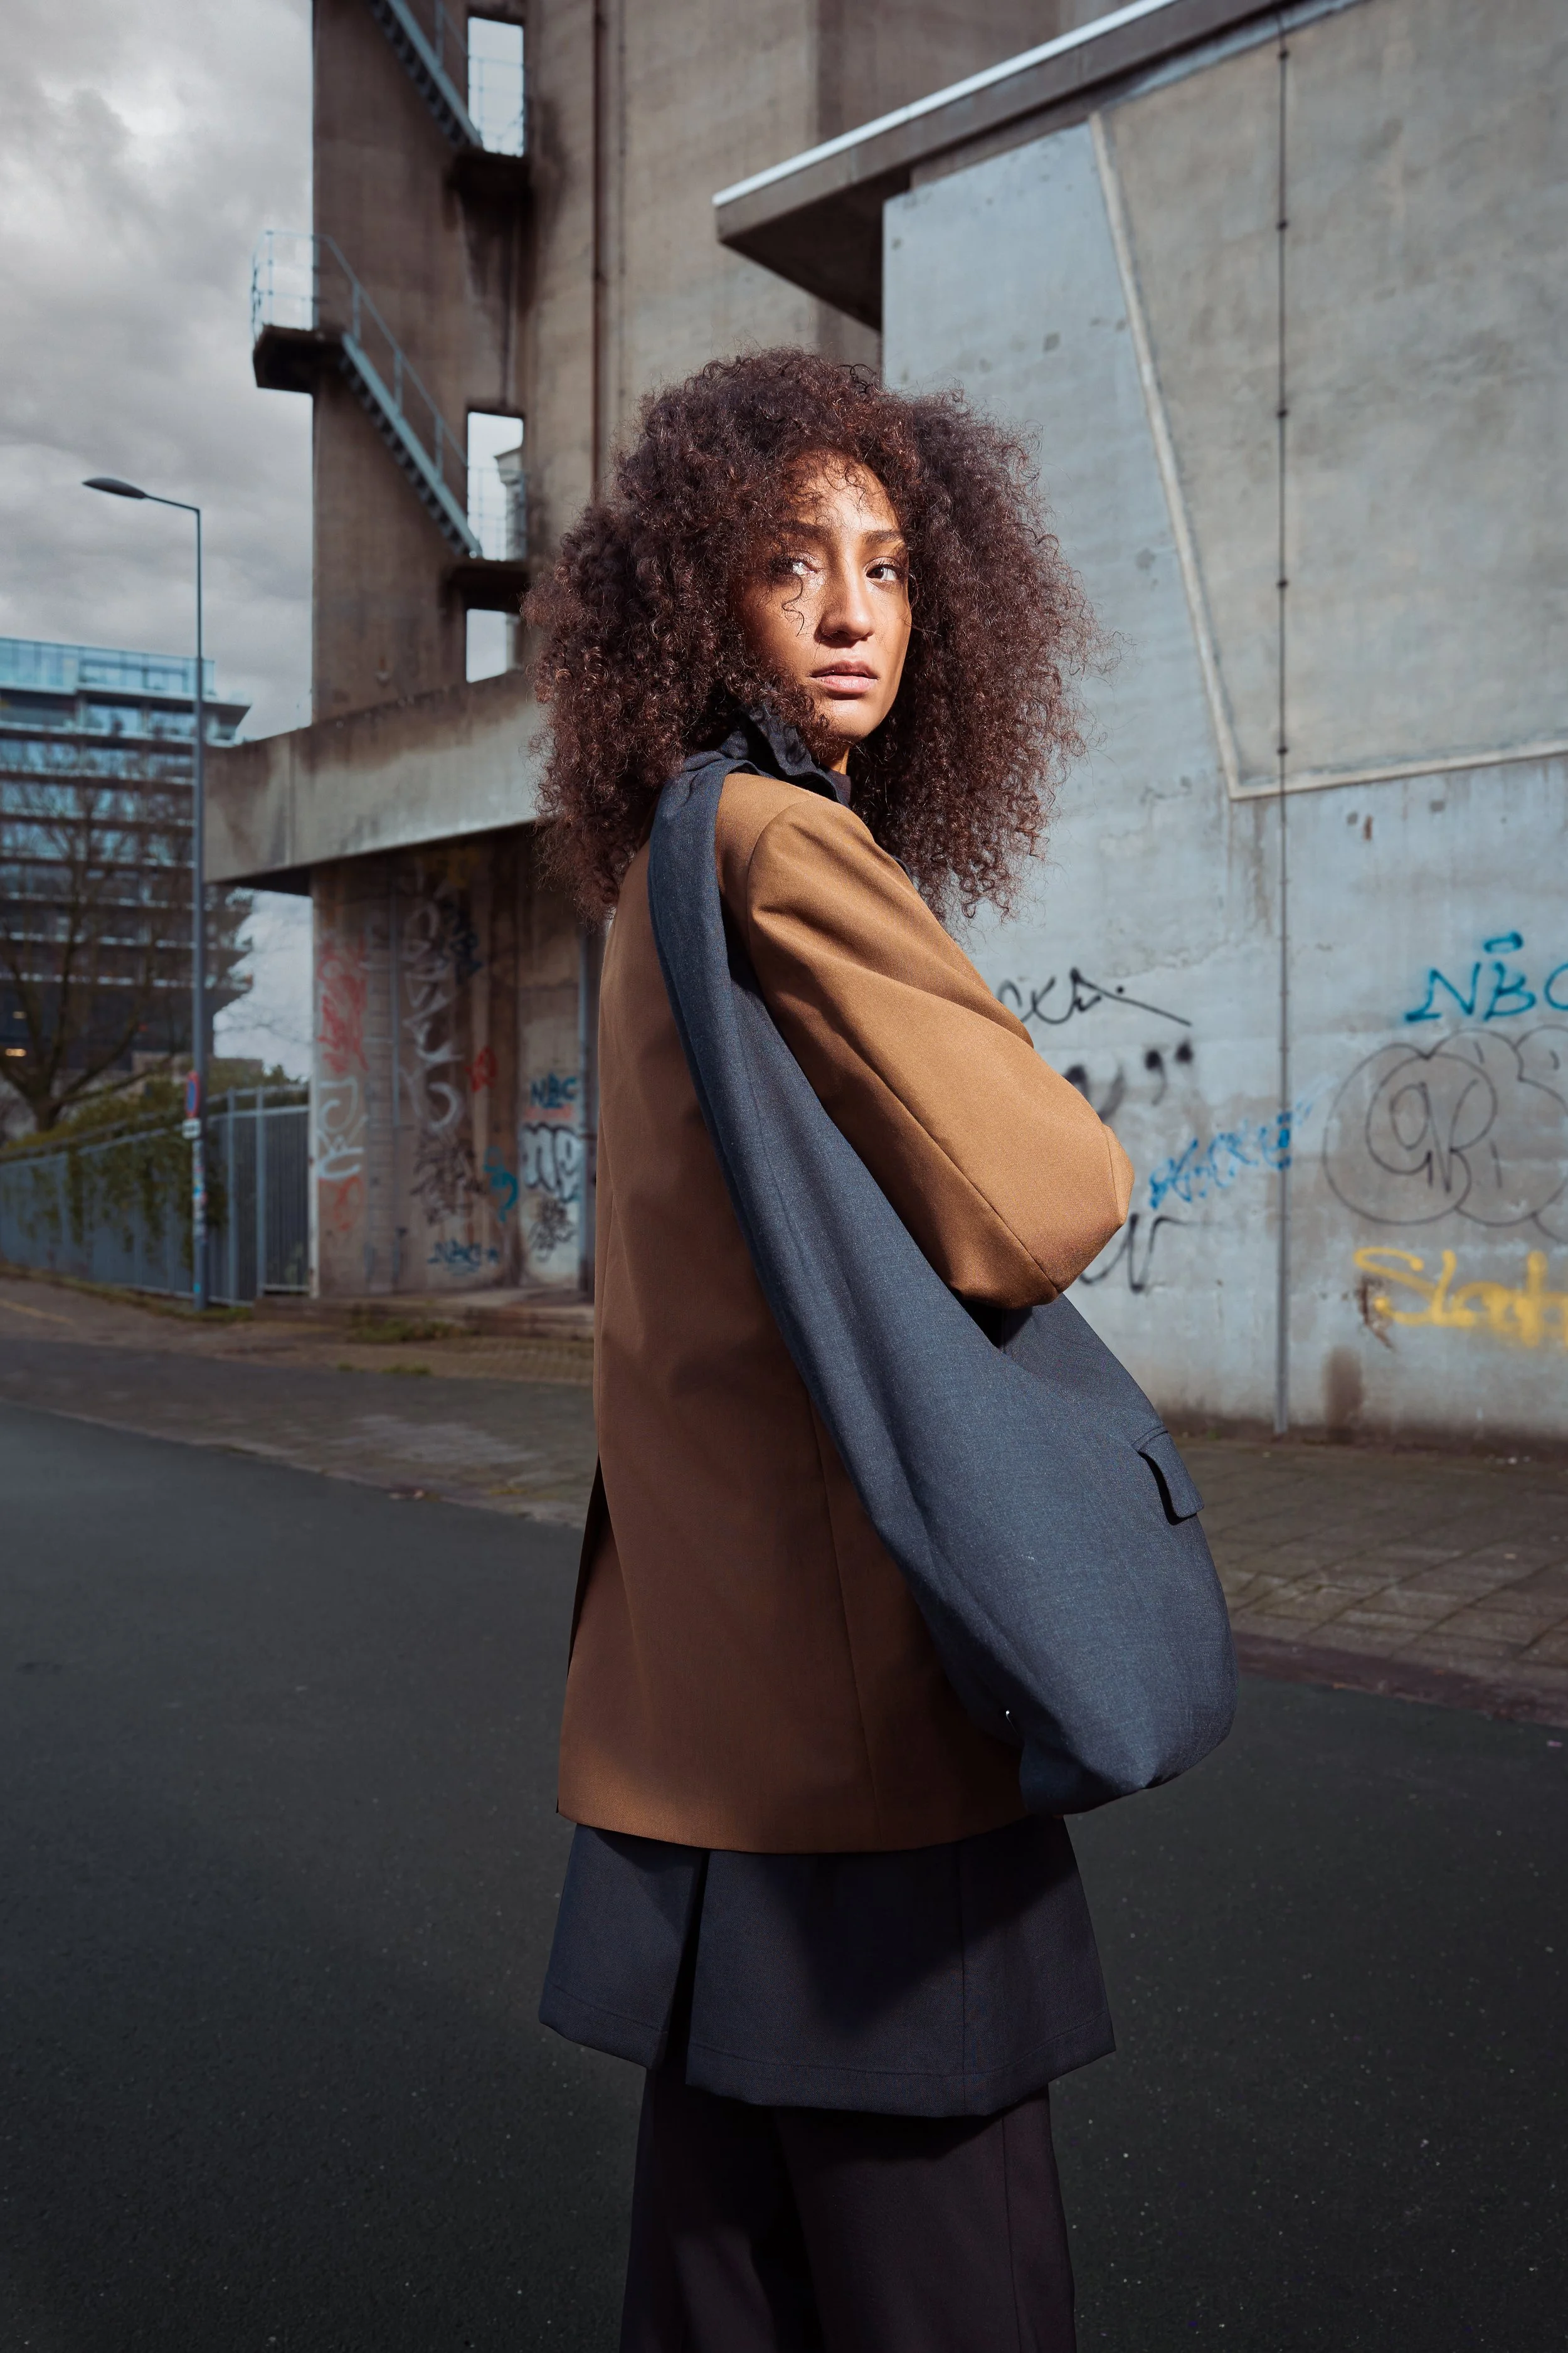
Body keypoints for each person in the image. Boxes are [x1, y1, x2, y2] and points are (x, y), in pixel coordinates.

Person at [527, 350, 1134, 2352]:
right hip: (857, 1734)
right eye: (794, 562)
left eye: (886, 560)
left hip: (690, 1702)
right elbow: (1049, 1191)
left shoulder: (652, 876)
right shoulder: (785, 851)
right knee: (947, 2282)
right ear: (701, 597)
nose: (857, 608)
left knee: (725, 2286)